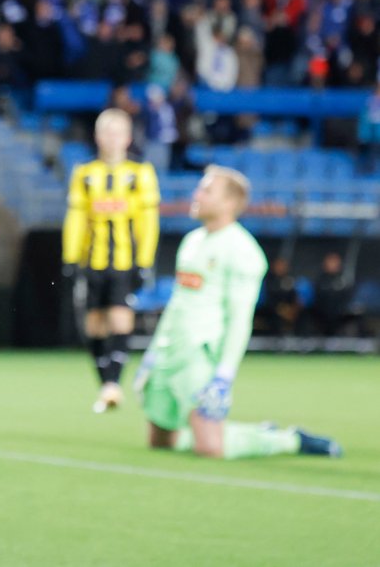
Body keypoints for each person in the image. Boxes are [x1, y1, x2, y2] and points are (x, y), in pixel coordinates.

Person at [134, 166, 342, 459]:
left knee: (211, 448)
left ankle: (287, 440)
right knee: (161, 441)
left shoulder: (243, 250)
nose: (196, 195)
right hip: (170, 351)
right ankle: (253, 431)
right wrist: (153, 352)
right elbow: (177, 304)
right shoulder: (192, 241)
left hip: (200, 353)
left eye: (207, 190)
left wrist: (224, 375)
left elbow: (240, 319)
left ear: (229, 203)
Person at [63, 108, 159, 413]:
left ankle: (113, 384)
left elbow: (148, 222)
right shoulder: (84, 173)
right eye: (106, 132)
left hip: (124, 262)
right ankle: (107, 384)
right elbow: (76, 218)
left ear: (128, 138)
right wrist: (70, 257)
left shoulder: (141, 173)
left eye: (118, 132)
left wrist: (144, 261)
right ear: (97, 136)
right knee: (93, 324)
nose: (112, 138)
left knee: (119, 316)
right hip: (92, 262)